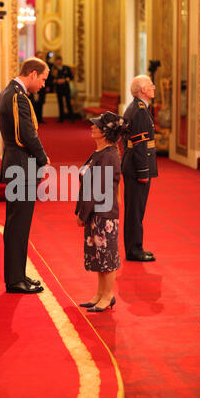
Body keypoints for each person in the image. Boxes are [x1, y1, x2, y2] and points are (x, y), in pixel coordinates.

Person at [0, 57, 50, 294]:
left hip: (17, 165)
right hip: (21, 166)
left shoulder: (9, 92)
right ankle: (15, 280)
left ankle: (18, 275)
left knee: (17, 224)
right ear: (32, 73)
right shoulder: (17, 96)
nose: (43, 84)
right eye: (43, 78)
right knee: (18, 225)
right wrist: (43, 158)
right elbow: (25, 135)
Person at [76, 111, 129, 312]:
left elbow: (98, 190)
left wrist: (83, 214)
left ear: (105, 133)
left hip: (103, 214)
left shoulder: (109, 155)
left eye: (96, 125)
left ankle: (108, 296)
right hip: (95, 213)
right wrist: (81, 211)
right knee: (99, 256)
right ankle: (100, 294)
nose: (92, 127)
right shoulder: (101, 152)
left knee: (106, 256)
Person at [121, 75, 158, 262]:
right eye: (151, 85)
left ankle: (135, 247)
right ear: (143, 90)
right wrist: (143, 171)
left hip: (132, 166)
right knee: (135, 211)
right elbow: (140, 145)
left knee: (135, 210)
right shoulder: (140, 111)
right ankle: (135, 250)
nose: (154, 87)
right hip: (137, 169)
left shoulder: (137, 108)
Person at [52, 55, 74, 122]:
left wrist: (65, 80)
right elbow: (52, 79)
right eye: (57, 61)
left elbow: (71, 77)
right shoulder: (54, 69)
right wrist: (57, 81)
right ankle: (61, 118)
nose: (59, 62)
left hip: (66, 88)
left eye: (60, 60)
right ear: (56, 62)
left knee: (68, 103)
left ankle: (71, 118)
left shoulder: (66, 68)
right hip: (59, 89)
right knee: (60, 103)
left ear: (61, 61)